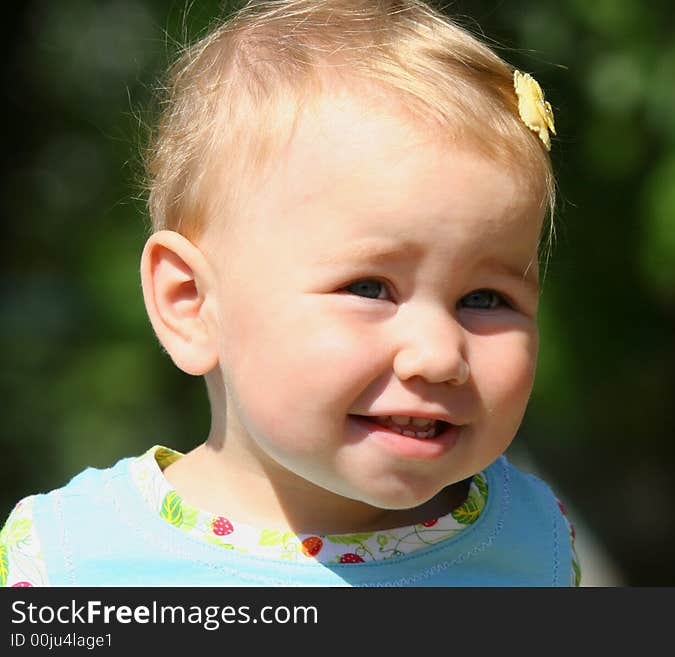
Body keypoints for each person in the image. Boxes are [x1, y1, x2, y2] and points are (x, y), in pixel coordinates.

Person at [0, 0, 578, 586]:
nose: (437, 355)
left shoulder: (532, 541)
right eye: (370, 288)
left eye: (484, 299)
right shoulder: (74, 562)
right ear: (192, 303)